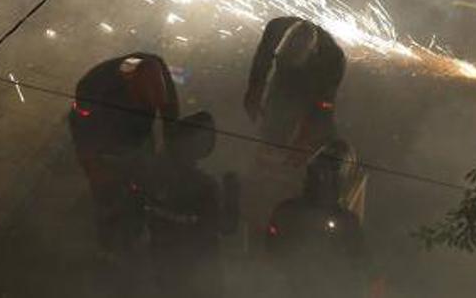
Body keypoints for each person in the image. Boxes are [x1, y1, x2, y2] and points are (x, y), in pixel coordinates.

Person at [68, 52, 180, 253]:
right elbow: (81, 130)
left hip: (138, 134)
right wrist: (93, 167)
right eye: (144, 101)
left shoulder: (156, 68)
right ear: (130, 86)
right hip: (105, 141)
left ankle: (139, 225)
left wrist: (171, 153)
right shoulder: (94, 87)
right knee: (107, 194)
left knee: (145, 179)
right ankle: (108, 245)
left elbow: (170, 113)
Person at [146, 110, 237, 295]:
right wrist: (233, 194)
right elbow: (227, 227)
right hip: (199, 270)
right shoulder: (204, 186)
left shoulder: (152, 172)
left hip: (163, 263)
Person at [266, 143, 370, 298]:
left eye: (326, 175)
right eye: (318, 174)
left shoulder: (347, 222)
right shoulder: (286, 211)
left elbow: (357, 268)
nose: (320, 179)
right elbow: (271, 251)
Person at [245, 18, 346, 164]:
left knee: (317, 131)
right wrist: (253, 91)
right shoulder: (274, 29)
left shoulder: (333, 60)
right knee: (275, 113)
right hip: (286, 73)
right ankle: (267, 150)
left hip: (313, 85)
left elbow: (324, 106)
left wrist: (304, 140)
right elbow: (261, 62)